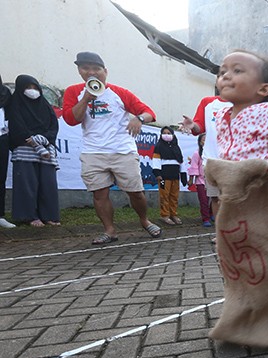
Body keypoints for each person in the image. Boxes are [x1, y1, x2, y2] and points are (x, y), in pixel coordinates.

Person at [206, 49, 268, 348]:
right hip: (236, 198)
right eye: (223, 70)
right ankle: (242, 318)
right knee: (240, 264)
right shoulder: (223, 116)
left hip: (267, 196)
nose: (225, 75)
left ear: (263, 89)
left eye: (237, 70)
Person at [62, 51, 161, 245]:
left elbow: (149, 112)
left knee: (136, 192)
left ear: (105, 71)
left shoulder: (119, 92)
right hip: (93, 151)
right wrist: (86, 99)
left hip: (123, 150)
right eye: (86, 68)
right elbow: (71, 119)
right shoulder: (74, 92)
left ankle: (144, 220)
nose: (92, 72)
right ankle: (109, 230)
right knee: (99, 193)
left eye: (96, 69)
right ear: (80, 71)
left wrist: (138, 119)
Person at [8, 74, 60, 227]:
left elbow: (53, 127)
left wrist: (41, 139)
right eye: (28, 88)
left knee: (48, 183)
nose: (32, 91)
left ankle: (49, 215)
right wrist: (31, 139)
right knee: (27, 184)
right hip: (25, 150)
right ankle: (28, 216)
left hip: (45, 149)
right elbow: (17, 126)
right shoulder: (15, 105)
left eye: (35, 88)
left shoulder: (45, 106)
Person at [180, 92, 233, 224]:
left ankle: (233, 232)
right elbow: (199, 127)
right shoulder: (207, 102)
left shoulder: (242, 102)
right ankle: (219, 234)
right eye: (222, 76)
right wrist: (193, 125)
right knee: (215, 198)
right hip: (210, 160)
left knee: (231, 199)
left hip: (233, 161)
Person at [152, 126, 186, 225]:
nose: (166, 135)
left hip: (175, 176)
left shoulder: (176, 147)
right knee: (164, 196)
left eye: (169, 133)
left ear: (173, 135)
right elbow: (156, 161)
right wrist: (157, 174)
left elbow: (181, 162)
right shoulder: (159, 146)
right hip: (163, 177)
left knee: (174, 196)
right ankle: (165, 215)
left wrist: (183, 175)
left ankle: (173, 214)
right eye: (164, 133)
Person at [187, 133, 212, 227]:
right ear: (200, 142)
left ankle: (212, 214)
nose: (206, 142)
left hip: (211, 180)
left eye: (207, 140)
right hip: (201, 181)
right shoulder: (197, 153)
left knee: (213, 199)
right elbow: (193, 167)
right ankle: (206, 218)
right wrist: (191, 180)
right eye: (203, 140)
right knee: (204, 201)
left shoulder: (212, 153)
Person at [0, 74, 14, 228]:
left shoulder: (4, 93)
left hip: (1, 138)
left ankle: (0, 215)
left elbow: (11, 115)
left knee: (0, 177)